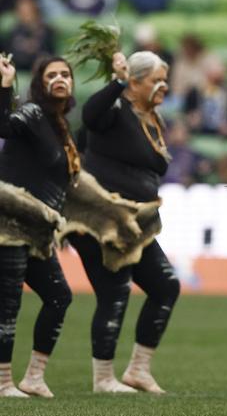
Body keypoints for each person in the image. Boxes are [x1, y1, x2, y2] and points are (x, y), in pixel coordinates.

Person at [67, 51, 180, 394]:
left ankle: (138, 370)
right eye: (156, 79)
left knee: (165, 287)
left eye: (165, 79)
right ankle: (103, 379)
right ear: (134, 83)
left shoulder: (153, 118)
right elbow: (90, 115)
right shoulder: (115, 111)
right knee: (114, 292)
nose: (163, 85)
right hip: (103, 220)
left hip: (138, 224)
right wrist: (115, 82)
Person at [0, 54, 78, 397]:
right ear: (39, 83)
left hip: (37, 230)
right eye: (52, 74)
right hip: (11, 223)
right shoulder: (31, 114)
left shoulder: (59, 123)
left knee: (59, 296)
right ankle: (3, 383)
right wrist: (4, 85)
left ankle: (33, 377)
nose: (60, 78)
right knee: (8, 304)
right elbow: (3, 126)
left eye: (65, 74)